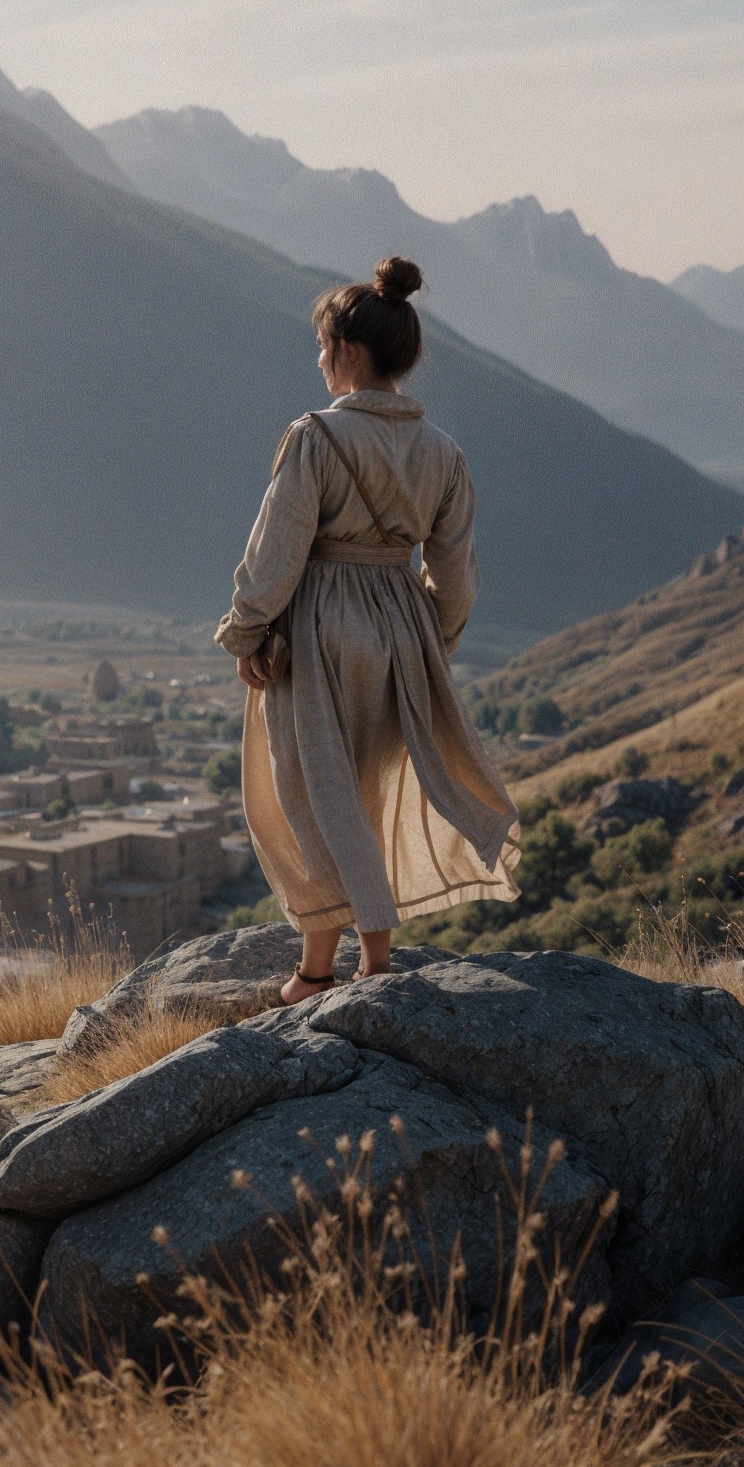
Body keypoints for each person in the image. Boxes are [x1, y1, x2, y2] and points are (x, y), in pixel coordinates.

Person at [215, 256, 519, 1004]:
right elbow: (455, 572)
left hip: (316, 625)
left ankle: (319, 970)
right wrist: (428, 643)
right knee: (370, 793)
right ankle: (370, 959)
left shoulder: (315, 436)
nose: (320, 361)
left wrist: (247, 630)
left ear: (348, 351)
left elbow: (278, 547)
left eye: (323, 348)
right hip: (399, 627)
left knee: (315, 795)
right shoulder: (443, 453)